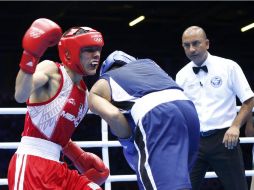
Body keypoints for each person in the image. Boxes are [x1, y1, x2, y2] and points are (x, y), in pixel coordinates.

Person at [7, 18, 109, 190]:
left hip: (59, 168)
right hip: (32, 165)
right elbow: (20, 94)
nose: (96, 55)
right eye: (89, 50)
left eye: (98, 50)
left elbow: (57, 133)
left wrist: (78, 156)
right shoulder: (52, 71)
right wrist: (30, 55)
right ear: (69, 53)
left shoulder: (85, 95)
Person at [88, 50, 200, 190]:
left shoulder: (104, 81)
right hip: (188, 109)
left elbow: (114, 115)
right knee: (180, 182)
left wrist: (128, 143)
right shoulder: (150, 64)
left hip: (158, 115)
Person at [175, 25, 254, 190]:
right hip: (194, 141)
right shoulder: (181, 75)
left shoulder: (228, 67)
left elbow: (249, 100)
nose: (192, 49)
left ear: (207, 44)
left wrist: (235, 126)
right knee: (183, 187)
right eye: (186, 45)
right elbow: (180, 110)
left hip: (224, 139)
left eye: (196, 43)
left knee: (237, 187)